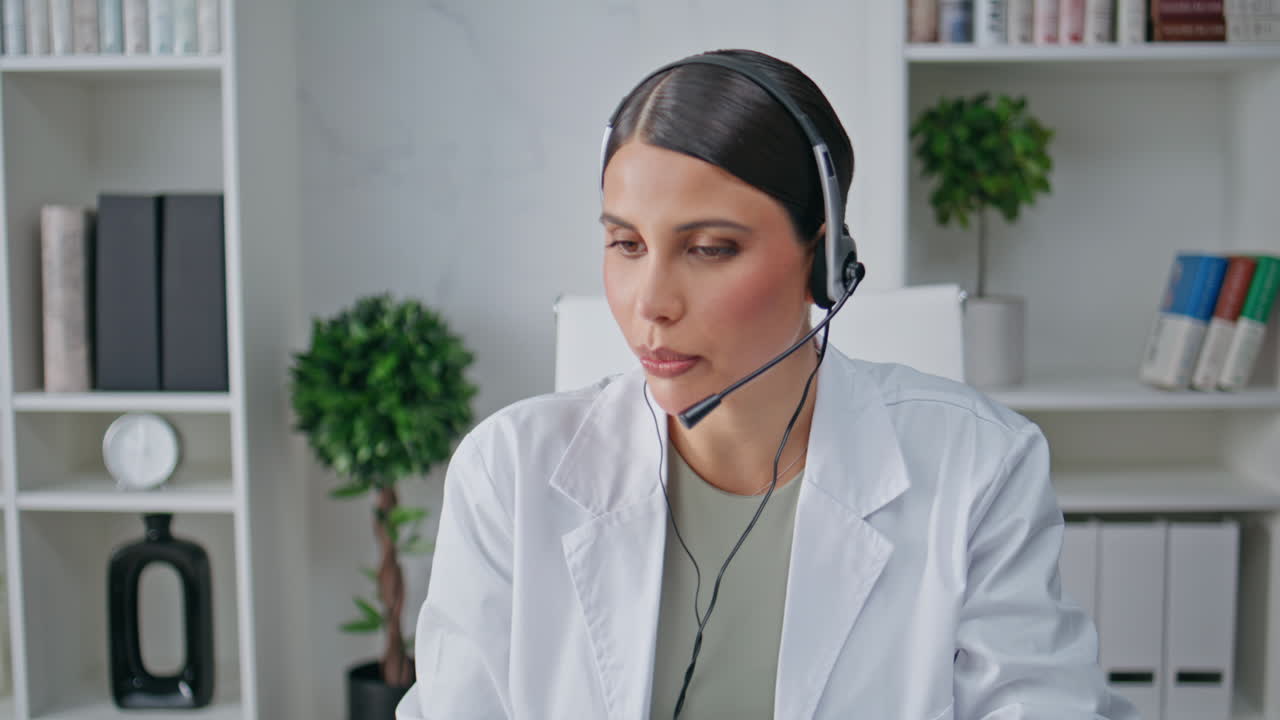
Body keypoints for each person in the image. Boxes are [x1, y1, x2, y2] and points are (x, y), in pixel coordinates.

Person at [396, 48, 1139, 720]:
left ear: (824, 258)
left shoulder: (980, 467)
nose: (651, 301)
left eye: (710, 248)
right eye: (625, 243)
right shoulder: (509, 470)